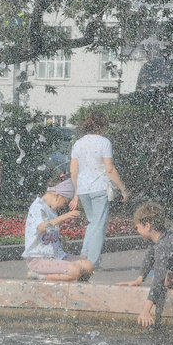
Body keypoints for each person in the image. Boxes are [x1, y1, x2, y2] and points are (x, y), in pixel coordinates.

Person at [69, 111, 128, 268]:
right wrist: (123, 189)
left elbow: (73, 170)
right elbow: (110, 169)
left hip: (83, 190)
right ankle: (91, 262)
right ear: (102, 127)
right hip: (99, 188)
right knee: (99, 225)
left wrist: (76, 193)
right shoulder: (104, 142)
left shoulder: (78, 143)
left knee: (93, 222)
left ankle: (85, 253)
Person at [22, 178, 94, 281]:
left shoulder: (52, 209)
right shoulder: (38, 207)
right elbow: (42, 228)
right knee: (75, 271)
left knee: (89, 266)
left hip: (56, 256)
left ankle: (73, 284)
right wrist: (63, 217)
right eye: (65, 202)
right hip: (38, 258)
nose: (64, 205)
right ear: (57, 195)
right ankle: (38, 275)